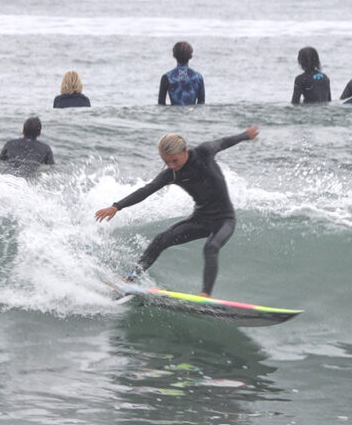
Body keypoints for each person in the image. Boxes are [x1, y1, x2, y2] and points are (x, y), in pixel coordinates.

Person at [94, 126, 259, 297]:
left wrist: (246, 135)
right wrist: (117, 206)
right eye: (167, 162)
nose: (172, 166)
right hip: (200, 220)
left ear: (185, 151)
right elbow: (147, 190)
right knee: (161, 240)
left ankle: (205, 295)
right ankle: (129, 279)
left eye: (174, 160)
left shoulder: (203, 152)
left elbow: (224, 142)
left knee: (211, 247)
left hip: (224, 220)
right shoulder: (171, 174)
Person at [158, 41, 205, 105]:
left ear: (174, 55)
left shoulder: (167, 77)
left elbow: (161, 104)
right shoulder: (198, 77)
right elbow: (201, 104)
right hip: (192, 114)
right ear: (191, 56)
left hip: (174, 114)